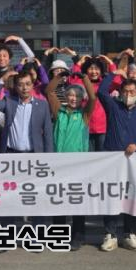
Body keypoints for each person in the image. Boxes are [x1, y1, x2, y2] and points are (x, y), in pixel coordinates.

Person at [97, 73, 136, 252]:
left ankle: (129, 233)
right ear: (120, 92)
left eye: (132, 91)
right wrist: (115, 74)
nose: (129, 94)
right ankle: (110, 234)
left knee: (131, 197)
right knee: (111, 196)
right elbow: (101, 91)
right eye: (125, 91)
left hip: (133, 162)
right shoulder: (113, 106)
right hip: (113, 160)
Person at [46, 71, 96, 250]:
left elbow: (93, 97)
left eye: (77, 96)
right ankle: (59, 234)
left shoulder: (84, 115)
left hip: (78, 166)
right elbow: (49, 91)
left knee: (77, 201)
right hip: (59, 165)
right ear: (66, 97)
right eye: (71, 95)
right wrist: (60, 76)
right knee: (58, 201)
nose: (73, 98)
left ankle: (78, 236)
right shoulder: (58, 111)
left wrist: (84, 78)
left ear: (81, 99)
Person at [0, 71, 54, 154]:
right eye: (20, 85)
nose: (25, 88)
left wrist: (49, 156)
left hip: (34, 154)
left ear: (32, 85)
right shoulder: (9, 102)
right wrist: (2, 80)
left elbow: (48, 133)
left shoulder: (42, 105)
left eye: (28, 84)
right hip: (11, 153)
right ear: (16, 87)